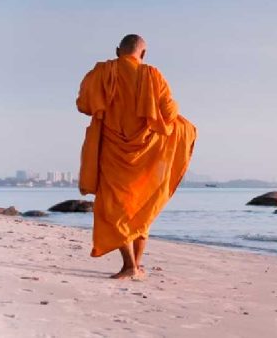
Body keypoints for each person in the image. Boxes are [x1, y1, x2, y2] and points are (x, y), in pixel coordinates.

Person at [76, 34, 196, 279]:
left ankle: (130, 265)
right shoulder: (152, 76)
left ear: (118, 50)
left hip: (112, 153)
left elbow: (84, 105)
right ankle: (135, 265)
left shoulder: (101, 73)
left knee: (113, 207)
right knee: (140, 206)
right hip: (146, 156)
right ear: (143, 54)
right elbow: (169, 113)